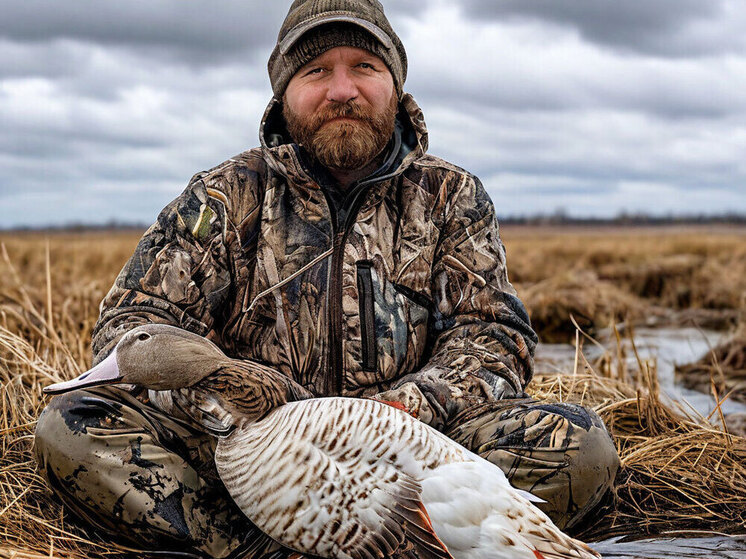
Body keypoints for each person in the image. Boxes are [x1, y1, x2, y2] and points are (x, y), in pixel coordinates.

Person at [34, 1, 620, 558]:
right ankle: (264, 546)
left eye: (364, 66)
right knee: (73, 426)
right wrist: (239, 409)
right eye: (317, 71)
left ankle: (387, 539)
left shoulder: (449, 196)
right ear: (283, 92)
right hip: (243, 459)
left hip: (405, 457)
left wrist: (406, 410)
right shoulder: (222, 196)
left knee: (578, 445)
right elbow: (133, 327)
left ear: (394, 82)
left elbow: (492, 336)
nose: (343, 90)